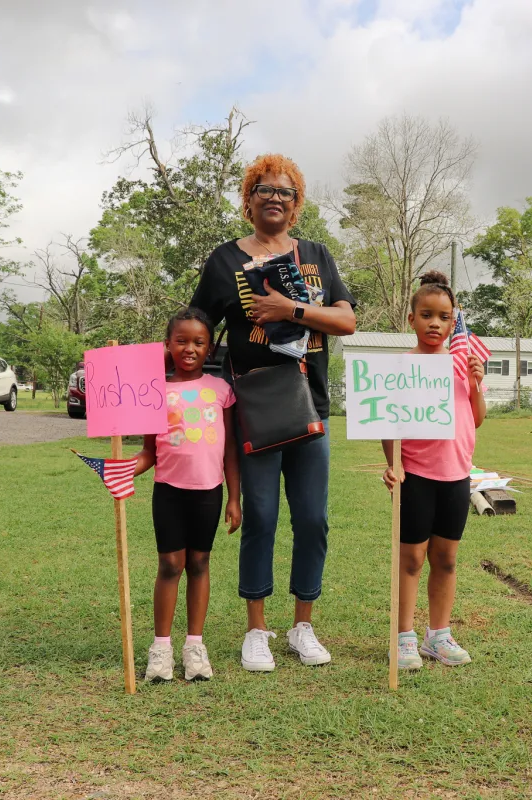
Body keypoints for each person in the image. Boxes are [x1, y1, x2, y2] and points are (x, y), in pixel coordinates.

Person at [190, 154, 356, 672]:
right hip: (255, 407)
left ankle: (302, 625)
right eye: (264, 189)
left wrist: (292, 310)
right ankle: (256, 630)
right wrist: (166, 384)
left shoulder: (317, 256)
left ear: (297, 202)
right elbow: (195, 326)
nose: (275, 197)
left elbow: (346, 321)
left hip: (312, 407)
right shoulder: (224, 261)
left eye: (285, 191)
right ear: (249, 198)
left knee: (312, 519)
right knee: (259, 517)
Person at [382, 271, 486, 670]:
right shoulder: (401, 367)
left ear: (452, 322)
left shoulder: (462, 364)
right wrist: (394, 466)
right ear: (412, 319)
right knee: (411, 559)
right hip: (417, 477)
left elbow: (476, 419)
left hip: (457, 477)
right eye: (426, 315)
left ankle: (438, 636)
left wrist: (477, 384)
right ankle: (404, 637)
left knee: (446, 559)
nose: (435, 324)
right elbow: (385, 423)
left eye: (444, 317)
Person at [132, 307, 241, 681]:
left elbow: (229, 451)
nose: (189, 348)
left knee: (199, 564)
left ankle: (194, 646)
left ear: (210, 349)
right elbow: (149, 452)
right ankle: (161, 649)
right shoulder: (154, 392)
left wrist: (234, 498)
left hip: (208, 493)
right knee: (170, 565)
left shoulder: (221, 391)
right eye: (181, 341)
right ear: (167, 345)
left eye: (198, 342)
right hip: (168, 493)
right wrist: (123, 469)